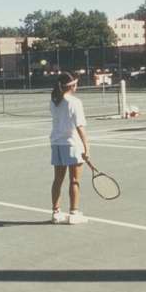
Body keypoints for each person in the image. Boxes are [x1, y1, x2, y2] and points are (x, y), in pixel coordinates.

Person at [49, 72, 90, 225]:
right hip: (72, 144)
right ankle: (74, 213)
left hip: (56, 143)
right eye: (76, 83)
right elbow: (80, 127)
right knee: (74, 180)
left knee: (57, 180)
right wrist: (87, 147)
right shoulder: (75, 102)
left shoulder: (54, 101)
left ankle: (56, 212)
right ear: (72, 85)